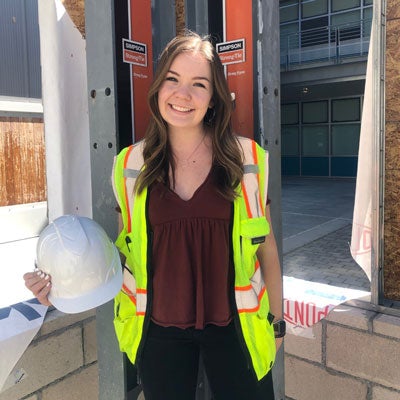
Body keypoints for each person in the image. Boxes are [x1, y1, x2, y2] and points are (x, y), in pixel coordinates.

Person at [24, 31, 284, 399]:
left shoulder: (246, 160)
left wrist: (278, 322)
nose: (183, 94)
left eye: (199, 84)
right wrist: (64, 282)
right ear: (158, 87)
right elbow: (124, 255)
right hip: (157, 329)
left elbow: (267, 249)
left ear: (213, 99)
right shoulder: (130, 165)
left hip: (237, 327)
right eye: (173, 80)